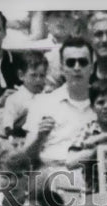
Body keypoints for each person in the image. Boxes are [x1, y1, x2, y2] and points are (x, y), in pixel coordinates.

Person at [22, 37, 97, 173]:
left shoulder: (104, 103)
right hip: (51, 174)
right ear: (62, 68)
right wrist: (40, 138)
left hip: (92, 174)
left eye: (83, 62)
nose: (77, 67)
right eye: (70, 62)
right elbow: (25, 158)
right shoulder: (42, 102)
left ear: (91, 67)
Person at [0, 51, 49, 141]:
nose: (38, 80)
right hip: (20, 139)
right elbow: (8, 124)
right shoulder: (14, 99)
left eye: (42, 76)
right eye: (33, 75)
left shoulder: (47, 97)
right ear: (21, 75)